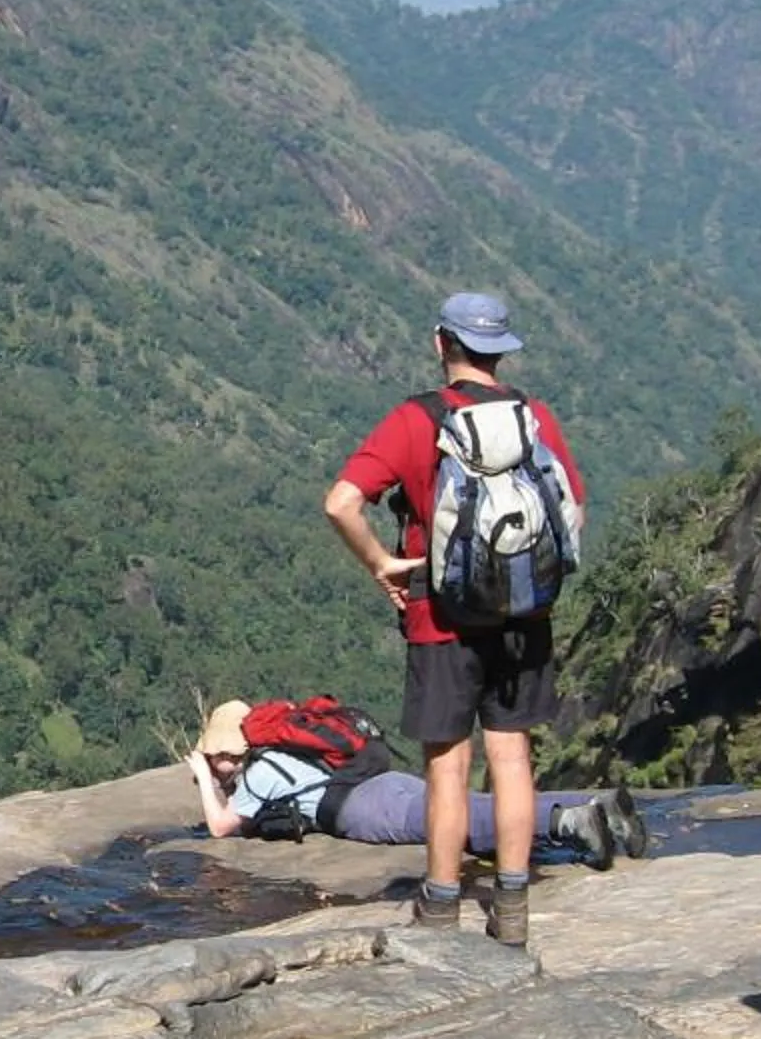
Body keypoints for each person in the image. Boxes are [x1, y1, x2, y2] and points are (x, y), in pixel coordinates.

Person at [323, 291, 586, 944]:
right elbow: (571, 508)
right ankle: (514, 905)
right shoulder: (534, 418)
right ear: (502, 349)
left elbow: (341, 503)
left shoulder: (416, 420)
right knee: (512, 756)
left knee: (447, 764)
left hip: (440, 616)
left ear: (442, 343)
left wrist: (384, 562)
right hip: (523, 616)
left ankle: (441, 903)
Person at [184, 701, 649, 867]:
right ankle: (599, 803)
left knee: (459, 824)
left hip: (360, 808)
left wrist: (205, 781)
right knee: (475, 803)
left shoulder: (263, 770)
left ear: (228, 753)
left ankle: (569, 821)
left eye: (216, 759)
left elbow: (223, 827)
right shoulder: (289, 746)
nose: (216, 766)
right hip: (383, 779)